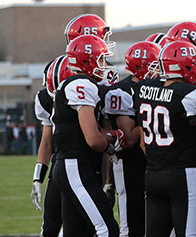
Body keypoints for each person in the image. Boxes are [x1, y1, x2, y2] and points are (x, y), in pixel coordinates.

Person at [134, 39, 196, 236]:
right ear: (186, 66)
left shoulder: (144, 89)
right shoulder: (189, 95)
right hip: (182, 174)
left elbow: (142, 141)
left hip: (153, 173)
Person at [51, 35, 122, 236]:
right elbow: (93, 139)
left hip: (68, 164)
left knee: (76, 232)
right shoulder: (81, 85)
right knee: (107, 229)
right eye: (100, 59)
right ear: (86, 60)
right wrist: (111, 142)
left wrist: (107, 136)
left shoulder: (75, 83)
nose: (104, 65)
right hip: (75, 165)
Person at [103, 41, 160, 236]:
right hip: (130, 162)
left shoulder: (158, 86)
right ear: (141, 66)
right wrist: (149, 119)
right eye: (154, 65)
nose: (159, 69)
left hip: (155, 160)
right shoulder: (121, 92)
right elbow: (129, 139)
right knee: (132, 222)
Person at [31, 55, 73, 237]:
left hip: (90, 164)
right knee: (50, 226)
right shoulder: (45, 98)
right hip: (61, 163)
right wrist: (37, 178)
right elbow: (47, 140)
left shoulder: (93, 89)